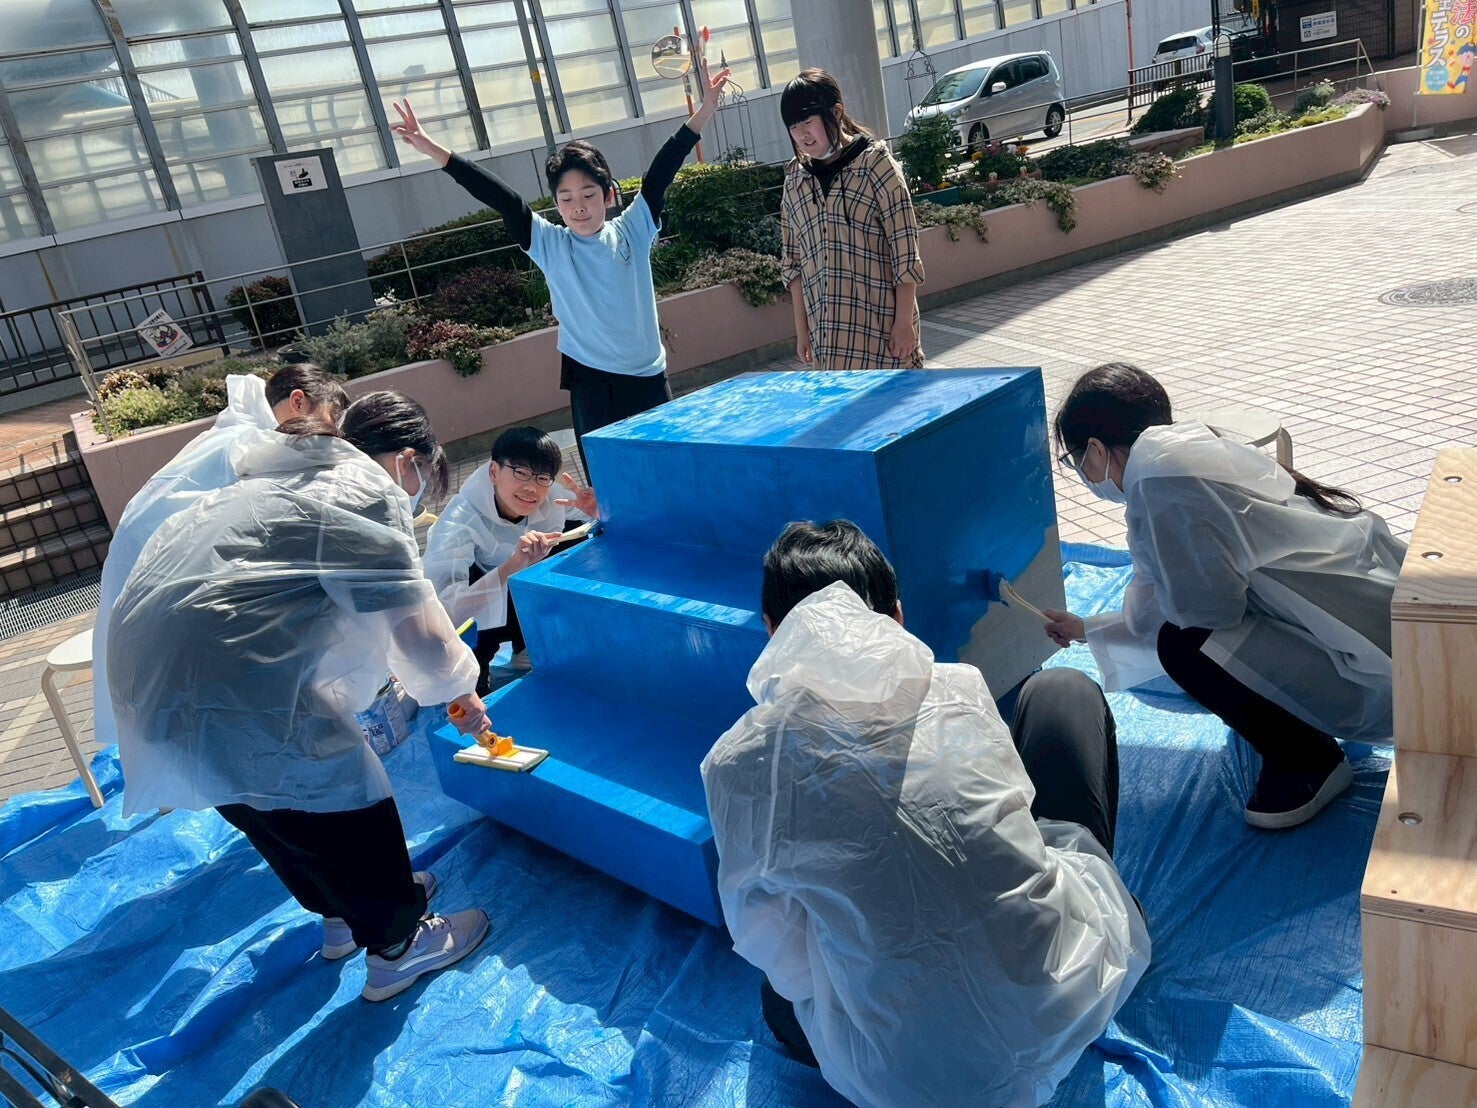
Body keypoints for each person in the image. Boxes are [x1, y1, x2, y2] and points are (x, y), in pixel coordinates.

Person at [701, 520, 1149, 1108]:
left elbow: (781, 954)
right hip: (1063, 1004)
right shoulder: (958, 688)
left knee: (777, 1000)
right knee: (1062, 693)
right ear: (897, 615)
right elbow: (1021, 828)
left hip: (908, 1081)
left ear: (770, 630)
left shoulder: (740, 763)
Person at [108, 391, 492, 1003]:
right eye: (423, 480)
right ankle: (398, 945)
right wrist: (460, 693)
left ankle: (341, 913)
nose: (417, 498)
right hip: (231, 682)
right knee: (343, 792)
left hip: (145, 683)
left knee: (258, 802)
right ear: (410, 460)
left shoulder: (271, 481)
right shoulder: (362, 493)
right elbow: (419, 639)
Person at [1043, 362, 1406, 829]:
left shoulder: (1159, 484)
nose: (1082, 473)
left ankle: (1308, 762)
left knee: (1184, 645)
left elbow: (1206, 609)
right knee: (1184, 631)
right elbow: (1162, 593)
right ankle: (1299, 731)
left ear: (1095, 448)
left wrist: (1116, 627)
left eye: (1075, 460)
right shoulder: (1179, 449)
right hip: (1370, 605)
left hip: (1373, 653)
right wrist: (1087, 628)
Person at [389, 60, 730, 463]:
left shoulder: (632, 229)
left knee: (665, 469)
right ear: (556, 204)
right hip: (592, 382)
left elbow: (662, 171)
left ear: (608, 195)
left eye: (588, 195)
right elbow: (502, 198)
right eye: (566, 199)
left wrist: (706, 109)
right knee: (605, 483)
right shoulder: (550, 243)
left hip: (648, 377)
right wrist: (432, 148)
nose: (578, 207)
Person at [91, 365, 349, 766]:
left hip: (142, 603)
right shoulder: (252, 447)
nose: (331, 435)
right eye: (331, 419)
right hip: (168, 610)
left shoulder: (227, 436)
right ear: (298, 402)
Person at [423, 426, 597, 692]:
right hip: (482, 599)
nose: (531, 488)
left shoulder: (551, 495)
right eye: (521, 473)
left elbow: (593, 517)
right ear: (494, 472)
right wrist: (512, 565)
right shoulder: (459, 520)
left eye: (542, 477)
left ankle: (529, 642)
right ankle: (479, 664)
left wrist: (597, 509)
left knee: (578, 537)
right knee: (472, 689)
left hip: (523, 590)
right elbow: (444, 612)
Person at [779, 69, 925, 371]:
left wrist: (903, 322)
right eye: (793, 126)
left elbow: (904, 249)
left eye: (808, 121)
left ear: (836, 112)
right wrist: (802, 331)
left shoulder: (875, 164)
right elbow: (793, 262)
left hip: (882, 333)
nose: (802, 134)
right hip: (827, 340)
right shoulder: (795, 180)